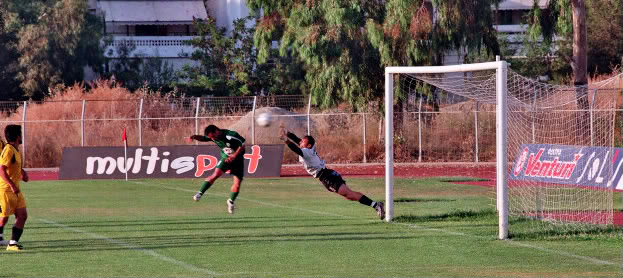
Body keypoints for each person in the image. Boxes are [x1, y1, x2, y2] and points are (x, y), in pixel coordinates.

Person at [279, 128, 385, 219]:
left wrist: (286, 140)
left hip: (327, 177)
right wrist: (288, 133)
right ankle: (375, 205)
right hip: (327, 175)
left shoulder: (306, 152)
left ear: (309, 145)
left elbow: (296, 149)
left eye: (303, 141)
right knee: (349, 196)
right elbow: (298, 141)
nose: (301, 142)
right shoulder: (308, 148)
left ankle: (376, 205)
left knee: (350, 194)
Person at [186, 125, 246, 214]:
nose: (213, 139)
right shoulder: (213, 137)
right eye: (211, 138)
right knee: (215, 174)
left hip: (238, 160)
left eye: (213, 136)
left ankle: (231, 201)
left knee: (237, 185)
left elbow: (243, 144)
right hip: (226, 158)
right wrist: (194, 137)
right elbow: (203, 138)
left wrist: (234, 155)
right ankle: (200, 193)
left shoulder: (230, 135)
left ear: (217, 131)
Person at [0, 125, 29, 250]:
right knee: (3, 219)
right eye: (21, 134)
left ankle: (12, 243)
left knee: (22, 215)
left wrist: (22, 173)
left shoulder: (15, 150)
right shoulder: (8, 150)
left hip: (16, 190)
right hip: (6, 190)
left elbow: (13, 166)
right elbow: (1, 170)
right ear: (18, 137)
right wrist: (11, 185)